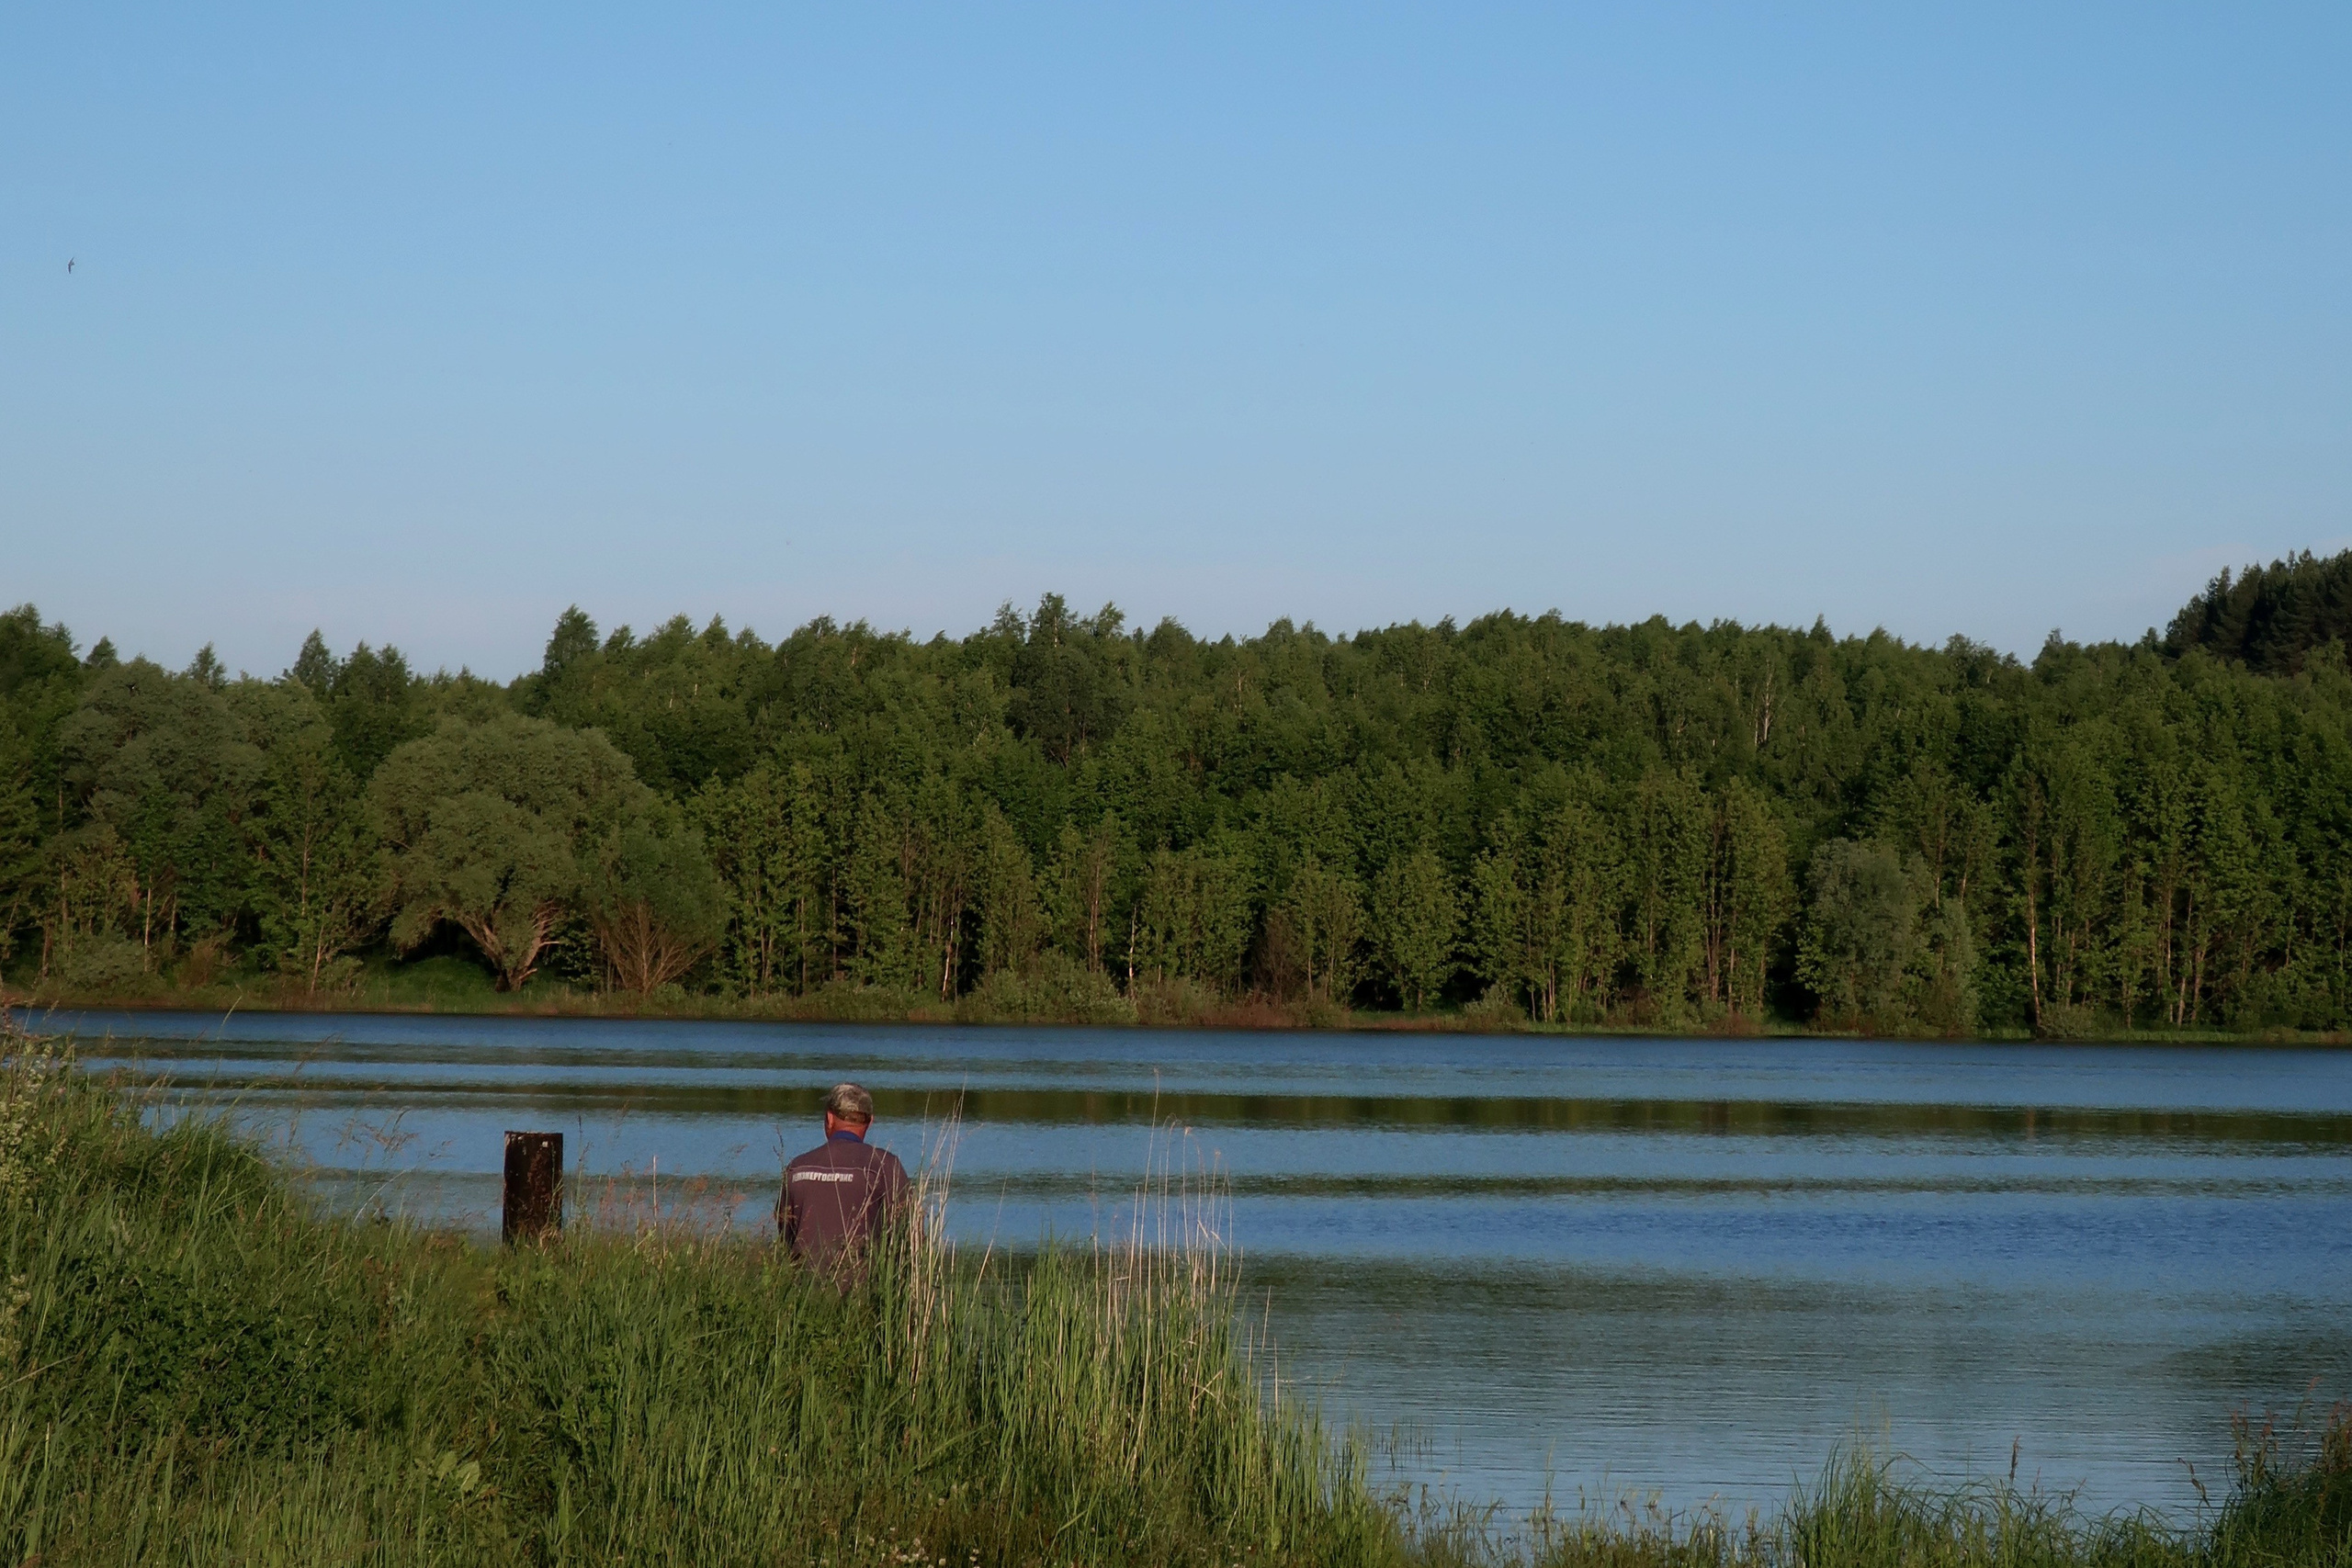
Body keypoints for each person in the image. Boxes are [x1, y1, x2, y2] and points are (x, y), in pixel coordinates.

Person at [777, 1082, 909, 1263]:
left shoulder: (797, 1167)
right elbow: (907, 1235)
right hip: (862, 1285)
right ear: (870, 1121)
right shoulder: (884, 1165)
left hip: (801, 1286)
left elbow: (785, 1232)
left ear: (830, 1118)